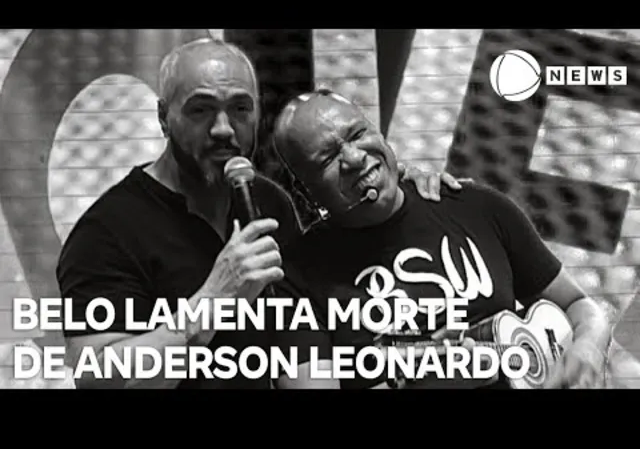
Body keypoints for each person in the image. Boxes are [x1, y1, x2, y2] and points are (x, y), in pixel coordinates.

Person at [56, 37, 464, 389]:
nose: (223, 128)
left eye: (240, 109)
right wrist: (213, 301)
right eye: (200, 110)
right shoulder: (107, 230)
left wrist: (401, 193)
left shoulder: (267, 202)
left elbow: (300, 345)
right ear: (164, 118)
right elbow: (96, 376)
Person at [270, 89, 612, 390]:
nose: (355, 157)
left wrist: (589, 349)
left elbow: (581, 307)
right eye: (328, 158)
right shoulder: (295, 278)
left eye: (358, 134)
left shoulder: (477, 206)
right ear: (305, 192)